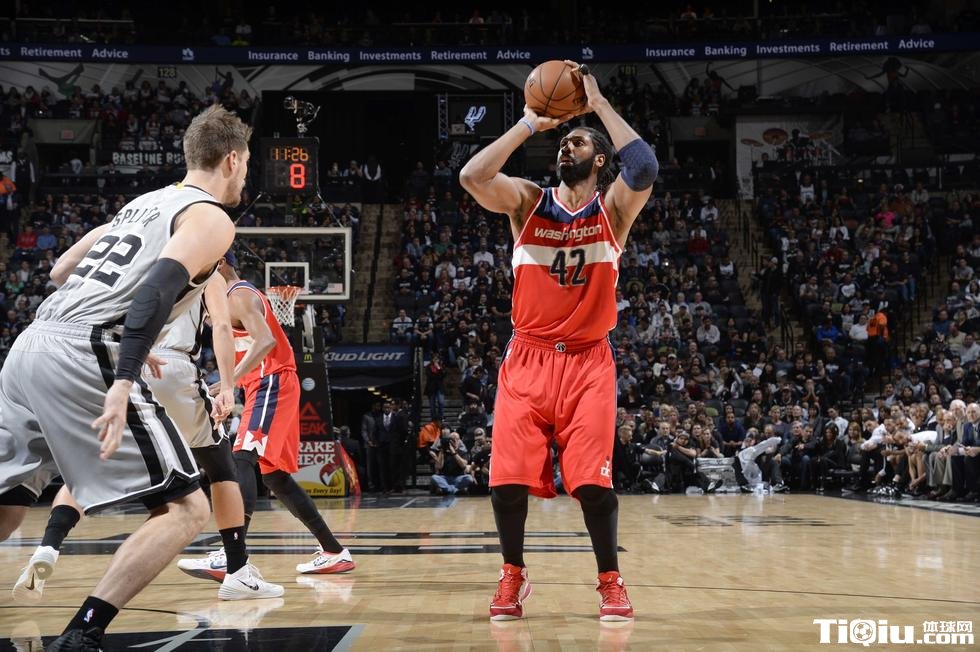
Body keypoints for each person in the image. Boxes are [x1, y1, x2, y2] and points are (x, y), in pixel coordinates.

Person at [0, 105, 244, 649]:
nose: (244, 177)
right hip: (82, 351)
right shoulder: (211, 218)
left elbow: (62, 269)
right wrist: (123, 375)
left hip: (32, 342)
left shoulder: (141, 204)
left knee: (8, 504)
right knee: (185, 508)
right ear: (232, 160)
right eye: (246, 165)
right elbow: (156, 291)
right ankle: (80, 636)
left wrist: (119, 328)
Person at [460, 61, 658, 622]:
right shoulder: (527, 202)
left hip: (589, 363)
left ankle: (611, 581)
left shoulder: (613, 210)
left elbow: (644, 165)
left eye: (578, 142)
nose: (566, 147)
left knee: (592, 485)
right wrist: (529, 123)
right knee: (506, 482)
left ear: (600, 160)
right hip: (528, 358)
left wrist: (597, 105)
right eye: (563, 143)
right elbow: (472, 176)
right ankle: (513, 575)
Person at [12, 238, 283, 604]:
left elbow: (74, 282)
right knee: (222, 468)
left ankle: (49, 545)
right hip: (174, 369)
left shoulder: (148, 268)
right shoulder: (208, 271)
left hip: (130, 362)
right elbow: (221, 326)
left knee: (91, 462)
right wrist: (227, 385)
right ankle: (237, 571)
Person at [179, 253, 355, 577]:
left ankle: (232, 554)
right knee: (273, 476)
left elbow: (266, 340)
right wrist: (227, 382)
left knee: (242, 458)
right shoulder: (229, 299)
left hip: (272, 381)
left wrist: (230, 382)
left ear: (220, 263)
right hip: (268, 384)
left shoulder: (239, 295)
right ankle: (333, 551)